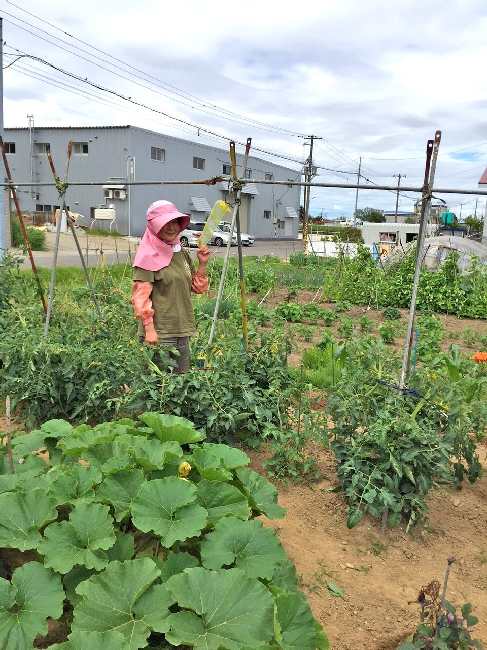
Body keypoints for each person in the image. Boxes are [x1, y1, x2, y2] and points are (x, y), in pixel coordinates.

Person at [131, 200, 210, 373]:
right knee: (158, 387)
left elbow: (197, 288)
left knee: (180, 385)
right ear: (154, 226)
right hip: (160, 334)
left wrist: (202, 264)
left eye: (174, 221)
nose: (171, 227)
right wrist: (150, 330)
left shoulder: (179, 251)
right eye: (165, 223)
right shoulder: (146, 256)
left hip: (182, 330)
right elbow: (140, 298)